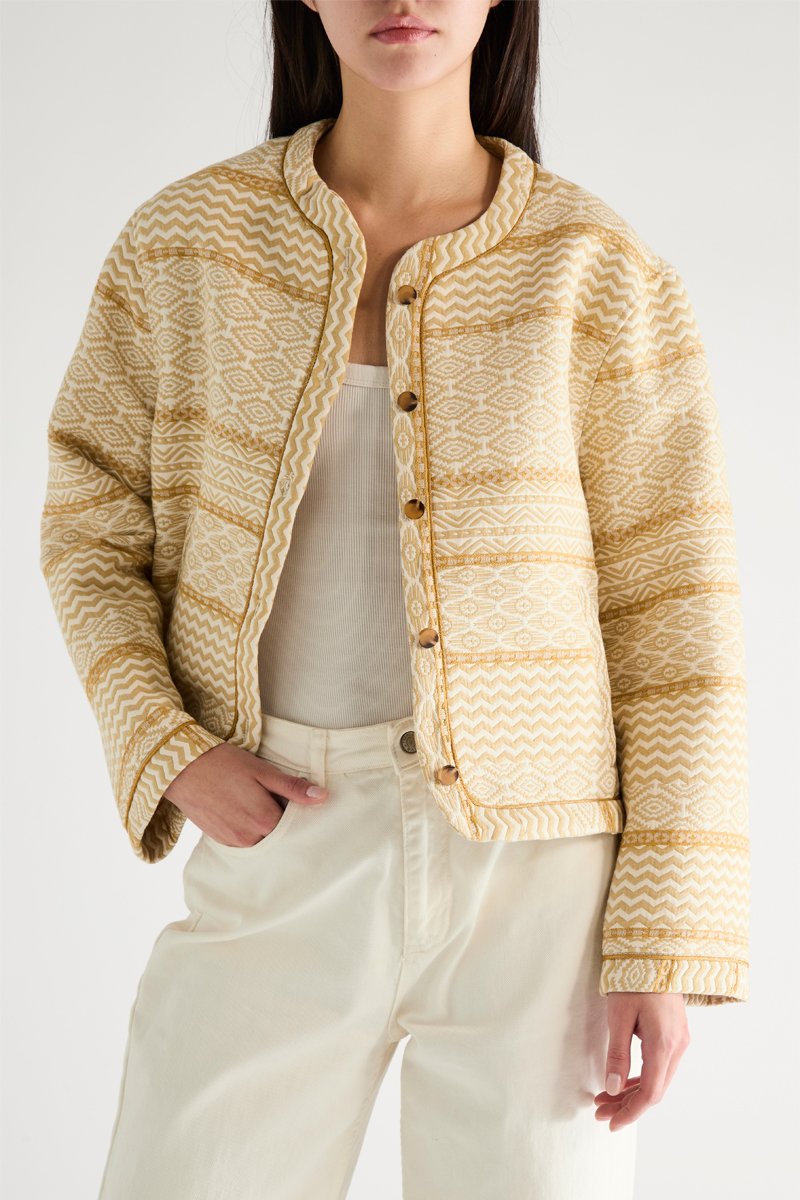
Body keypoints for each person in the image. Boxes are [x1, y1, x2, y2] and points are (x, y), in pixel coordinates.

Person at [38, 2, 750, 1197]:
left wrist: (662, 937)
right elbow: (90, 528)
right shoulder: (185, 245)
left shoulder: (596, 268)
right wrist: (165, 746)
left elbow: (675, 620)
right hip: (281, 835)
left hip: (539, 882)